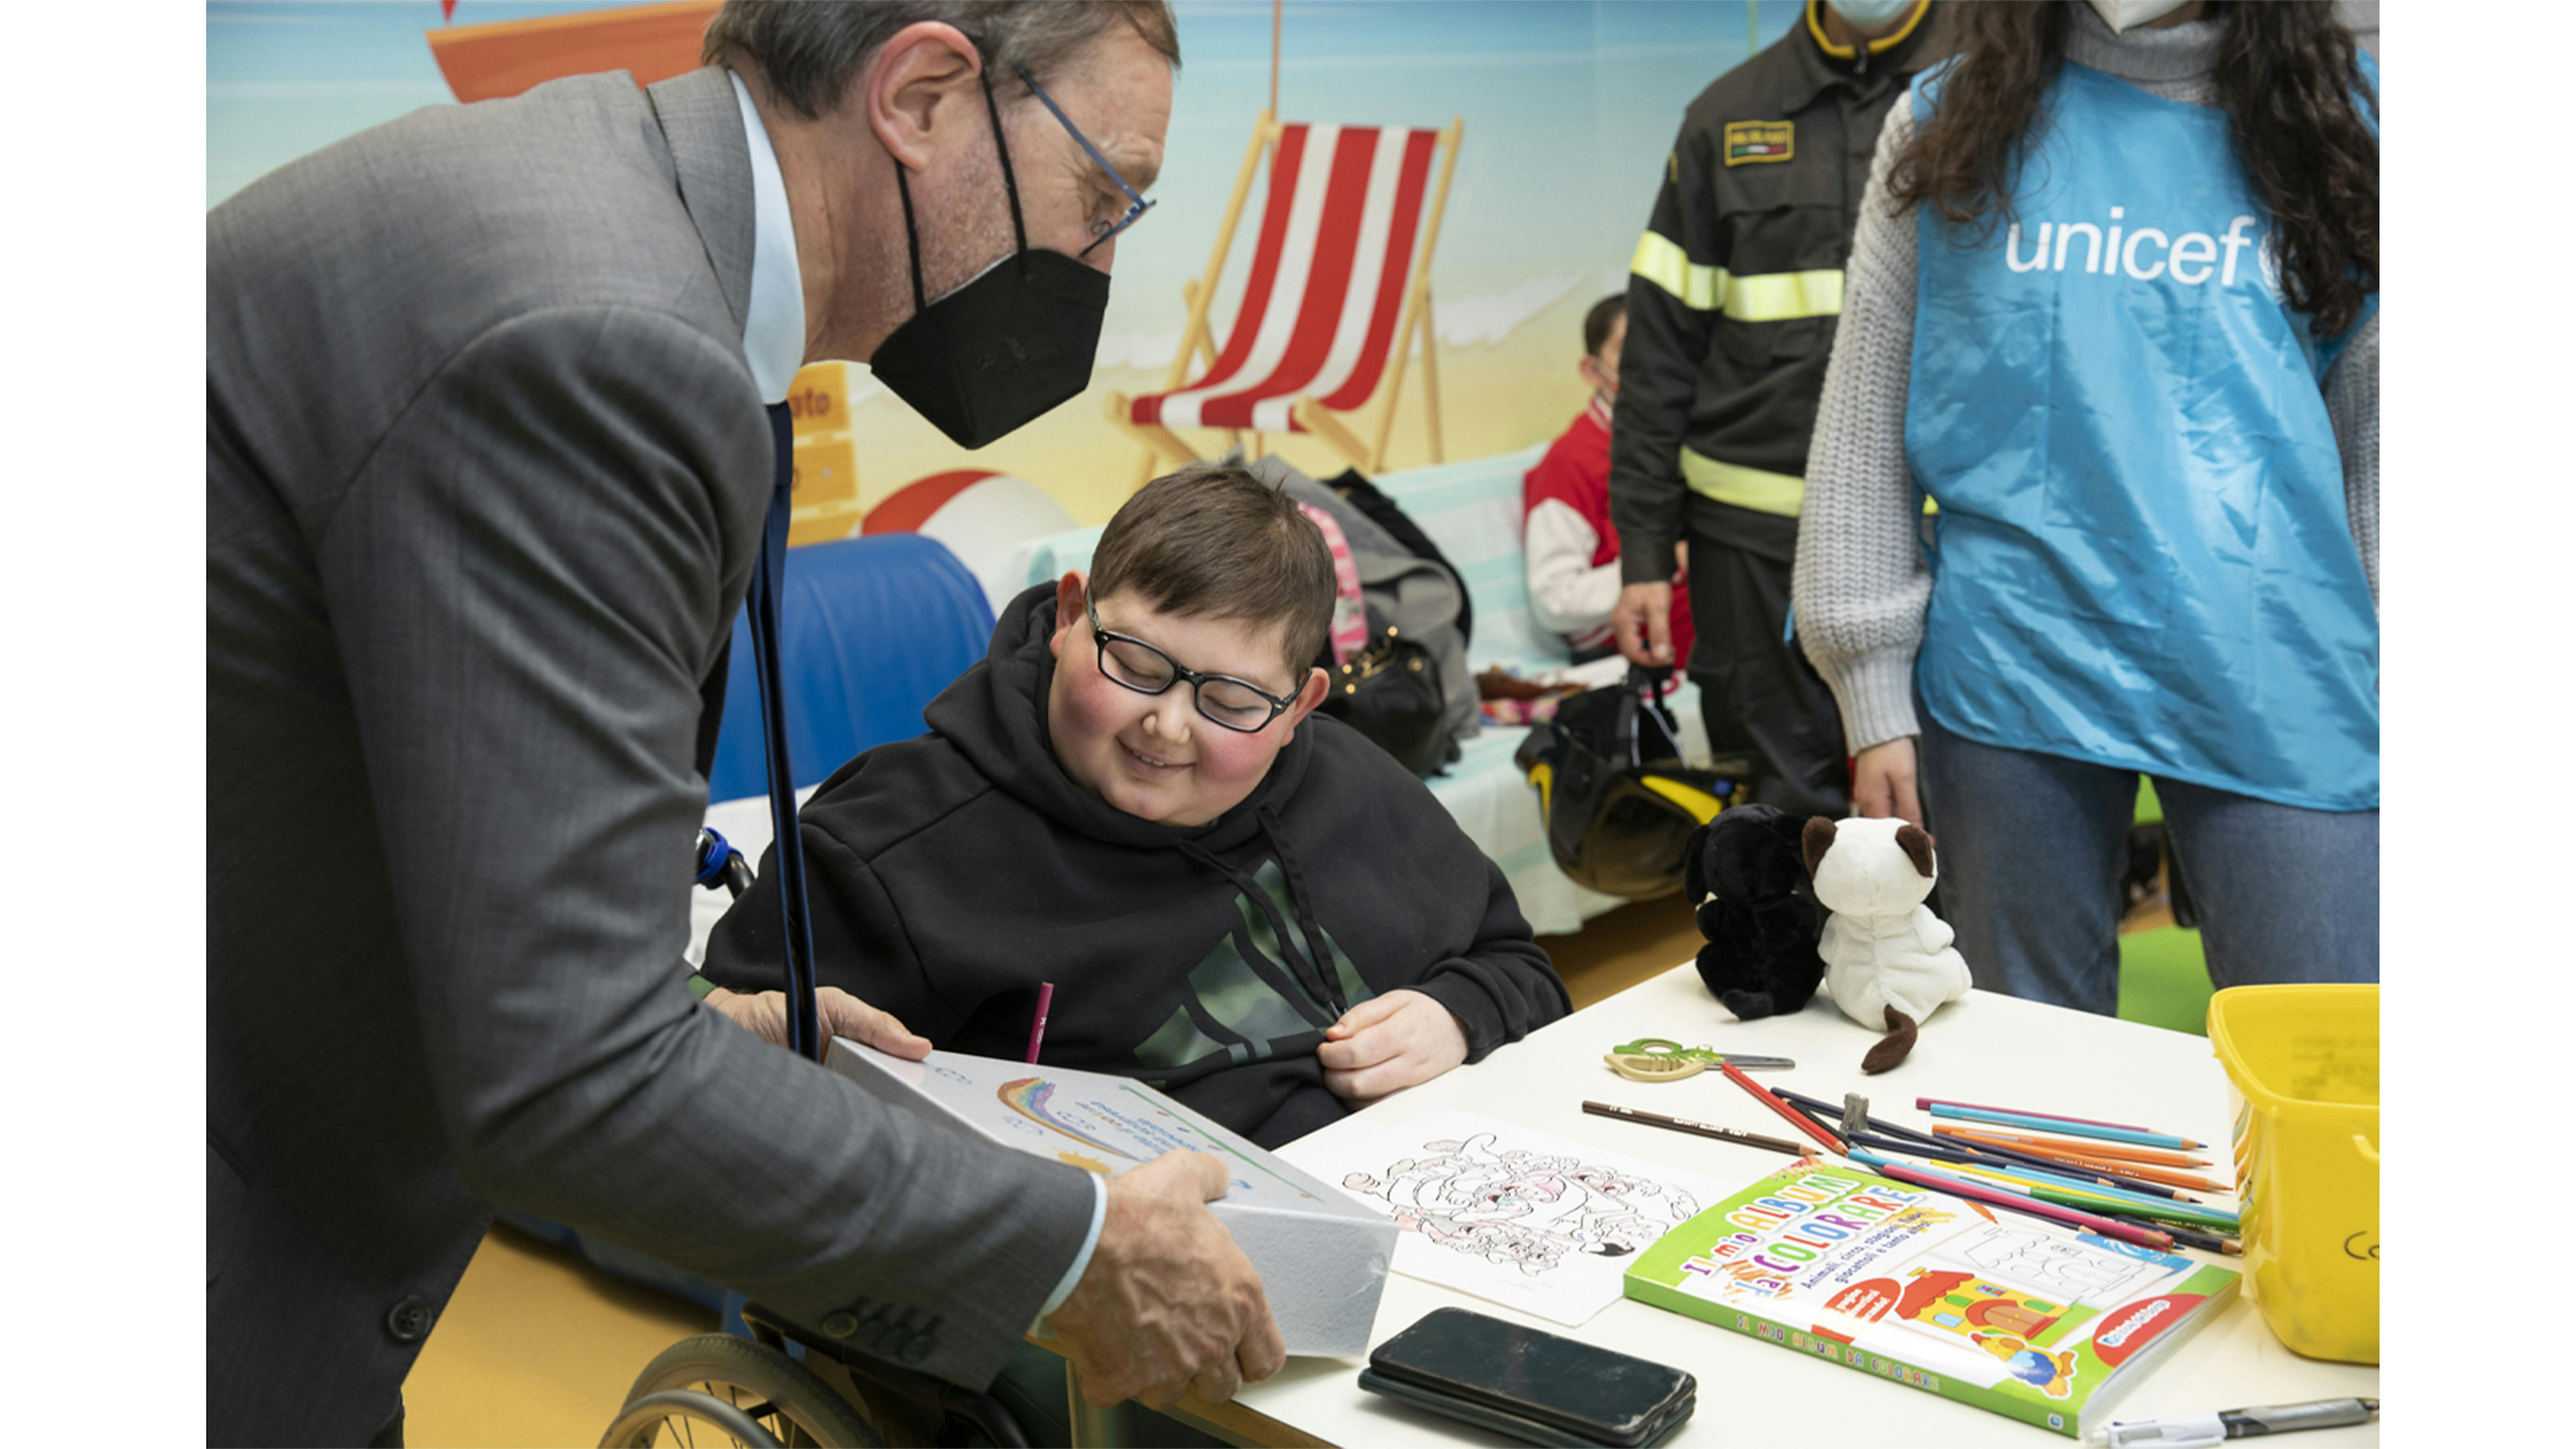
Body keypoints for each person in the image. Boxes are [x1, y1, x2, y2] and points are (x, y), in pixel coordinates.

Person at [207, 5, 1284, 1444]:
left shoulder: (608, 226)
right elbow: (571, 1080)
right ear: (921, 94)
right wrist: (1074, 1253)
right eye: (1102, 195)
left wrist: (692, 1026)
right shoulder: (604, 338)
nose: (1099, 261)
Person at [1790, 0, 2380, 1014]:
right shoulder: (1950, 118)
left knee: (2330, 1056)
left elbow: (2387, 431)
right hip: (2016, 665)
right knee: (2026, 1068)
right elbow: (1863, 422)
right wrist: (1869, 687)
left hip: (2279, 662)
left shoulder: (2350, 119)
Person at [702, 464, 1571, 1150]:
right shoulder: (889, 848)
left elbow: (1521, 970)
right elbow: (701, 1086)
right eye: (1137, 666)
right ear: (1071, 614)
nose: (1169, 727)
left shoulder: (1351, 782)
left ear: (1301, 706)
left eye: (1231, 702)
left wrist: (1459, 1015)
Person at [1606, 0, 1944, 819]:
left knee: (1946, 825)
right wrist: (1646, 550)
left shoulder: (1993, 89)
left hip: (1939, 541)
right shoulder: (1725, 118)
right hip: (1751, 551)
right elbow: (1659, 355)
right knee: (1779, 836)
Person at [1522, 294, 1694, 668]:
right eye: (1629, 349)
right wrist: (1663, 562)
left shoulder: (1688, 437)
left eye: (1662, 345)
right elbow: (1556, 600)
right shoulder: (1571, 463)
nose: (1651, 364)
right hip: (1638, 651)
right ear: (1593, 371)